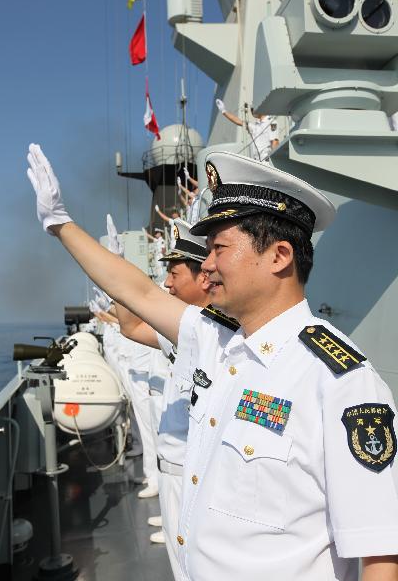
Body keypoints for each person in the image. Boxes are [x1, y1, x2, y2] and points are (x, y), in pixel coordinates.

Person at [26, 144, 398, 581]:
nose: (207, 266)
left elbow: (378, 553)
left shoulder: (338, 380)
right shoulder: (215, 340)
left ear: (279, 256)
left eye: (219, 248)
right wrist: (61, 225)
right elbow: (140, 294)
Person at [115, 218, 212, 578]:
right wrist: (120, 278)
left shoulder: (217, 335)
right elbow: (130, 326)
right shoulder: (182, 332)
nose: (167, 284)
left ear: (204, 277)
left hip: (197, 473)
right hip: (172, 468)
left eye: (174, 273)